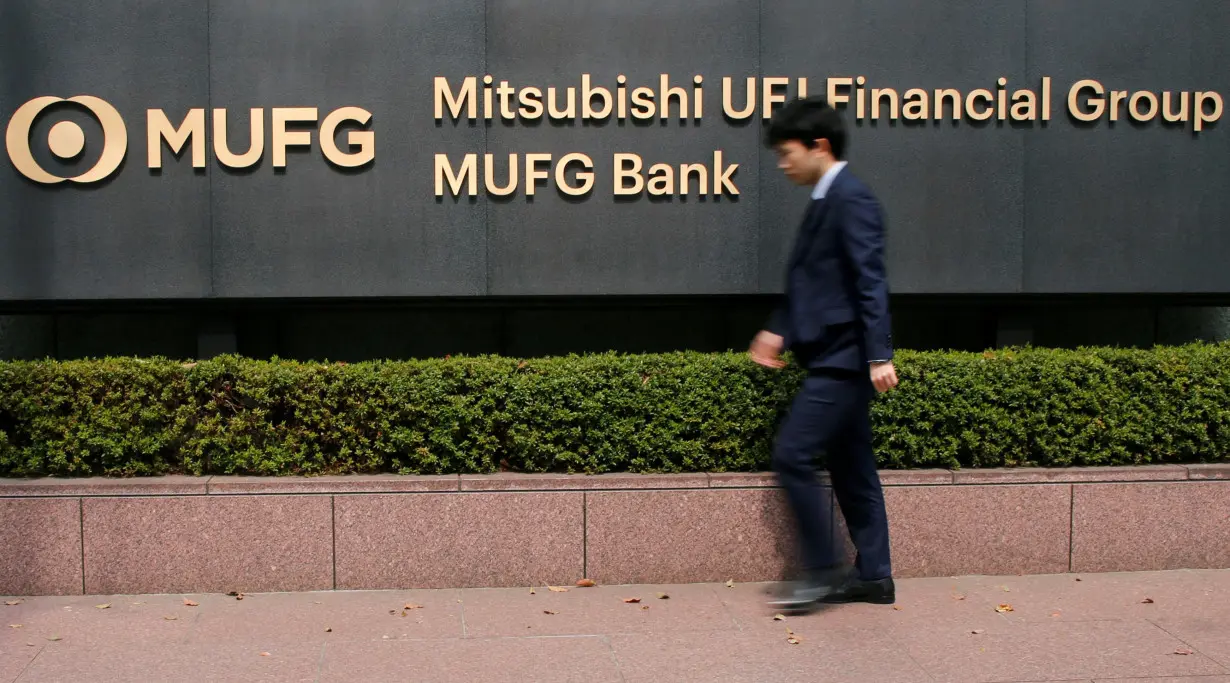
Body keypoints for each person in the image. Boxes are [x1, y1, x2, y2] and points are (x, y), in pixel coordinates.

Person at [751, 95, 899, 611]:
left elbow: (869, 281)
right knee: (853, 466)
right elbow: (810, 282)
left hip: (843, 358)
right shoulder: (825, 199)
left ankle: (821, 568)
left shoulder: (851, 199)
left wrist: (879, 354)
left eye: (787, 151)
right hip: (830, 355)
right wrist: (778, 331)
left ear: (819, 145)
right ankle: (875, 576)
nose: (781, 162)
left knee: (791, 454)